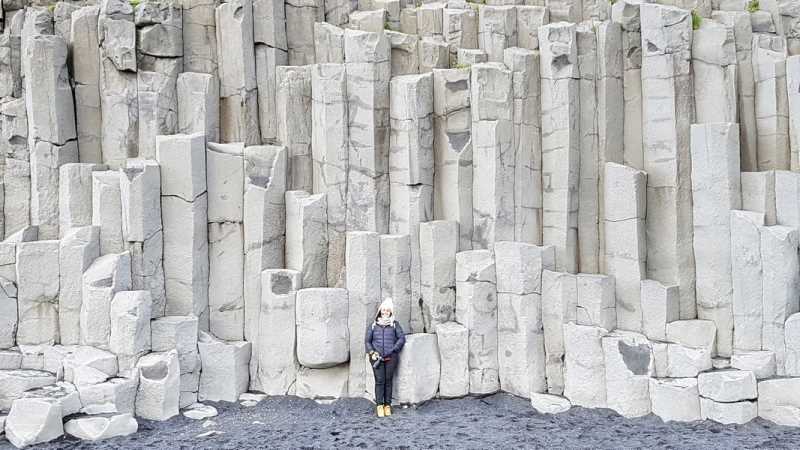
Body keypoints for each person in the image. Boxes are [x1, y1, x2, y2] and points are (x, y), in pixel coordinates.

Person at [365, 297, 406, 417]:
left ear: (391, 312)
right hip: (376, 358)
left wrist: (394, 349)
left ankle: (387, 405)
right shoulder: (373, 325)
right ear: (380, 311)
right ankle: (379, 405)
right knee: (379, 381)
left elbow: (401, 338)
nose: (385, 312)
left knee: (388, 381)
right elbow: (367, 341)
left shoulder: (395, 325)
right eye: (383, 310)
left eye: (387, 310)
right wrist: (372, 352)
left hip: (391, 358)